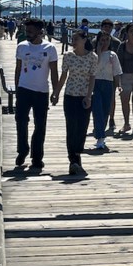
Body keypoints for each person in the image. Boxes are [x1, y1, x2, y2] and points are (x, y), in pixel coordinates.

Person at [14, 18, 60, 172]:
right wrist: (17, 89)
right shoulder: (21, 47)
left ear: (40, 32)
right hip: (24, 89)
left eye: (31, 31)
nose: (28, 34)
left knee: (40, 125)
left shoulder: (50, 48)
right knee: (21, 121)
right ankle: (22, 150)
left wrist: (56, 91)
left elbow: (54, 71)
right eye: (27, 31)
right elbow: (18, 69)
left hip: (41, 91)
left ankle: (37, 157)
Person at [51, 30, 97, 175]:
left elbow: (92, 78)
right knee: (71, 127)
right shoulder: (68, 56)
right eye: (73, 38)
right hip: (70, 95)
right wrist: (56, 93)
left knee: (82, 128)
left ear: (84, 40)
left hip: (84, 96)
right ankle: (73, 159)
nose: (73, 41)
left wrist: (89, 96)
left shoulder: (92, 57)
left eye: (76, 39)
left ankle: (77, 155)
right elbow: (64, 76)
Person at [91, 32, 122, 150]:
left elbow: (116, 71)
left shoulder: (112, 55)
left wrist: (118, 85)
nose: (104, 42)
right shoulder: (92, 55)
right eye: (102, 40)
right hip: (96, 83)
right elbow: (94, 67)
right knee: (97, 110)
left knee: (105, 111)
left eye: (106, 40)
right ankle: (100, 136)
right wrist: (98, 52)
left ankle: (100, 133)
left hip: (108, 83)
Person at [97, 19, 122, 132]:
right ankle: (99, 123)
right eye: (105, 26)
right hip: (96, 78)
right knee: (97, 102)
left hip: (110, 76)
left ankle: (111, 118)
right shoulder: (94, 41)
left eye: (109, 27)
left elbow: (118, 60)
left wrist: (119, 83)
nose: (107, 28)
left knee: (111, 99)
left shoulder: (116, 42)